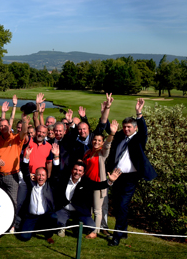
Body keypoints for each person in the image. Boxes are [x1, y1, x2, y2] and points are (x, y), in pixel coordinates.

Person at [106, 98, 157, 246]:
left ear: (134, 128)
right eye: (125, 127)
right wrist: (107, 111)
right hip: (116, 175)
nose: (126, 129)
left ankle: (116, 236)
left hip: (131, 178)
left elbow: (144, 130)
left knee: (122, 205)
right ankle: (124, 230)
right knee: (118, 204)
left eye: (129, 127)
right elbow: (107, 129)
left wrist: (139, 113)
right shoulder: (121, 136)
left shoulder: (139, 139)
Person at [54, 158, 122, 239]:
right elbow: (55, 174)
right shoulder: (64, 178)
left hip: (79, 211)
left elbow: (98, 185)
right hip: (64, 209)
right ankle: (62, 227)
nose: (77, 172)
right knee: (55, 219)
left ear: (83, 173)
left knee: (92, 226)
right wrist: (56, 157)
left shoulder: (85, 181)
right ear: (72, 170)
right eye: (75, 169)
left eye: (80, 171)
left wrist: (110, 181)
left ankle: (75, 226)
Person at [17, 143, 61, 244]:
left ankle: (48, 235)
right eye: (39, 175)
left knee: (53, 217)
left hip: (45, 216)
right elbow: (25, 171)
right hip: (31, 216)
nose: (41, 177)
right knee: (24, 237)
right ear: (35, 176)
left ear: (46, 177)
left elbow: (56, 173)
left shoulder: (50, 185)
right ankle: (33, 228)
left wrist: (56, 156)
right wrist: (26, 156)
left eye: (43, 175)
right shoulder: (30, 184)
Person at [83, 120, 117, 238]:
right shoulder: (88, 152)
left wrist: (111, 134)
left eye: (99, 141)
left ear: (102, 143)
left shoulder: (102, 154)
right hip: (88, 184)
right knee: (90, 209)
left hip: (98, 184)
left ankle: (95, 232)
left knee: (97, 210)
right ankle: (91, 227)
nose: (96, 142)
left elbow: (108, 146)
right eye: (95, 140)